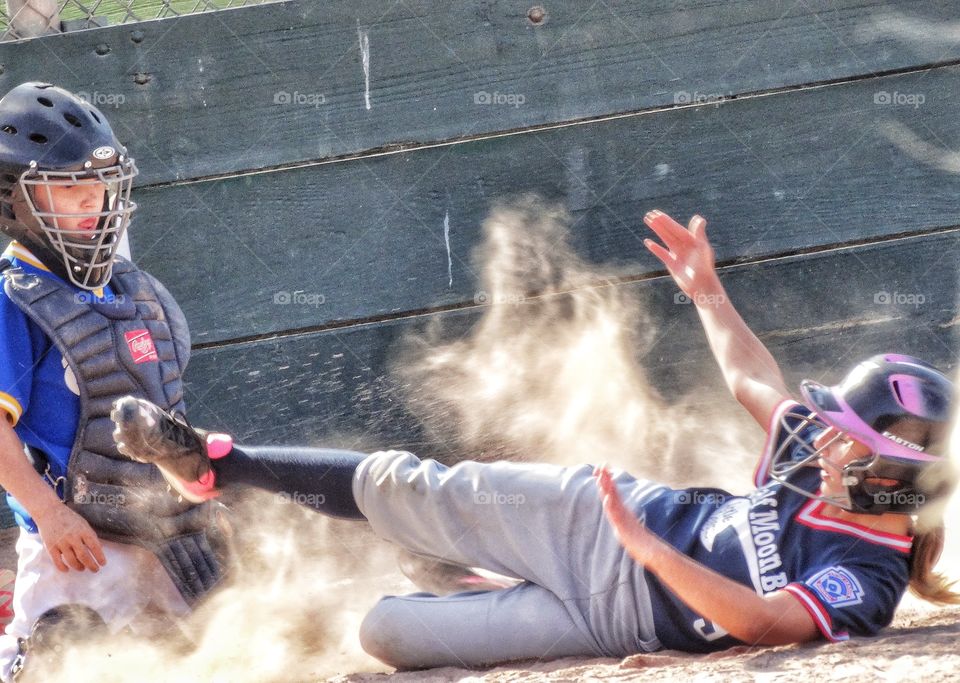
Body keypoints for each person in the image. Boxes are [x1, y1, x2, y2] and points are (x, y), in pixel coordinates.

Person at [110, 209, 958, 669]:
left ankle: (468, 574)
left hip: (620, 613)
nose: (830, 447)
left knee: (388, 636)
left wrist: (657, 560)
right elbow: (755, 384)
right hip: (601, 516)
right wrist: (709, 297)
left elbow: (770, 623)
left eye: (854, 443)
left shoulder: (870, 575)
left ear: (903, 481)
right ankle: (216, 462)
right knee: (418, 488)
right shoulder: (819, 464)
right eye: (837, 433)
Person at [0, 82, 229, 681]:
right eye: (69, 187)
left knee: (243, 636)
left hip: (169, 537)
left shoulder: (132, 292)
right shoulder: (14, 300)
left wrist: (202, 492)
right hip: (78, 545)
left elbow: (162, 413)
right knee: (70, 659)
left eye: (100, 187)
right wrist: (49, 514)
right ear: (13, 201)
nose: (92, 203)